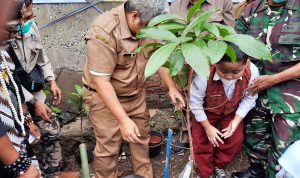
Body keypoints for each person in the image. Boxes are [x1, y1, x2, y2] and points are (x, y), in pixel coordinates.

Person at [82, 0, 185, 177]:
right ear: (135, 15)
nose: (151, 30)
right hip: (103, 98)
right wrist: (123, 120)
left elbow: (158, 58)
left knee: (141, 141)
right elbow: (101, 82)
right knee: (108, 147)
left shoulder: (149, 23)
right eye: (147, 26)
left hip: (135, 95)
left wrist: (172, 87)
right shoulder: (104, 31)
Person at [232, 0, 300, 177]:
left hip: (290, 90)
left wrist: (273, 80)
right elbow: (236, 48)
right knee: (254, 133)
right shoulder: (251, 11)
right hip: (255, 87)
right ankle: (257, 170)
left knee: (284, 144)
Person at [169, 0, 236, 153]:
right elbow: (169, 38)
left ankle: (213, 136)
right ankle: (187, 137)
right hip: (186, 65)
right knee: (186, 99)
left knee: (212, 99)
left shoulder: (223, 2)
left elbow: (230, 33)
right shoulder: (175, 7)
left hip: (214, 62)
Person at [10, 0, 63, 176]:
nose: (27, 23)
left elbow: (42, 57)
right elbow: (8, 80)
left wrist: (51, 80)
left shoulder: (32, 29)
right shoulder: (4, 41)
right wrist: (32, 103)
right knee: (19, 137)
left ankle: (52, 168)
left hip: (32, 87)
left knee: (50, 126)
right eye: (23, 18)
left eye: (30, 16)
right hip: (10, 95)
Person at [190, 43, 259, 178]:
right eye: (223, 71)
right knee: (201, 142)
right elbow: (195, 103)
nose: (228, 76)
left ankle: (219, 165)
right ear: (215, 63)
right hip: (206, 111)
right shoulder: (204, 74)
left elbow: (250, 98)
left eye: (235, 72)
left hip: (231, 111)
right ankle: (206, 173)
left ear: (245, 64)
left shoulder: (252, 72)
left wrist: (236, 120)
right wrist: (207, 127)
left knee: (235, 140)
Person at [0, 1, 41, 177]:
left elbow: (15, 86)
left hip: (14, 136)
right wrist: (18, 165)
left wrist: (27, 120)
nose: (17, 32)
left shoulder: (4, 53)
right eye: (10, 28)